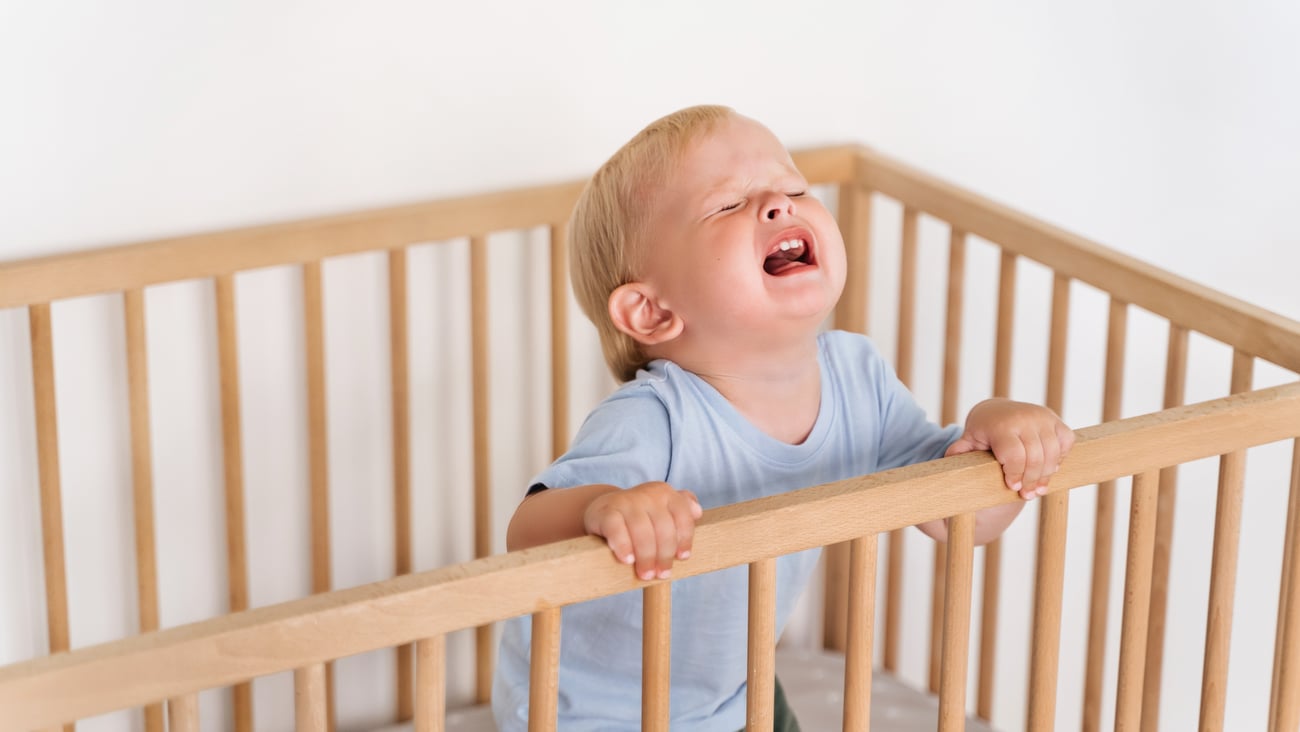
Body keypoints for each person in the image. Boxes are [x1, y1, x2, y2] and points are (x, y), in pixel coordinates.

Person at [491, 105, 1074, 731]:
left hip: (730, 694)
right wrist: (602, 508)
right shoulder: (656, 417)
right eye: (726, 204)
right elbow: (527, 530)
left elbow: (957, 515)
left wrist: (998, 443)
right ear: (652, 312)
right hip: (592, 713)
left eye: (793, 188)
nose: (777, 204)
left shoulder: (857, 377)